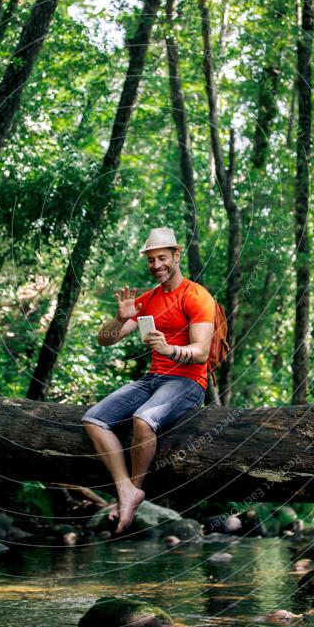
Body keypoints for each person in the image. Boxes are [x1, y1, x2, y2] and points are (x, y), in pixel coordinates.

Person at [82, 227, 215, 533]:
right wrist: (119, 318)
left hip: (188, 383)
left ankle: (133, 493)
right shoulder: (148, 300)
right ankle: (126, 488)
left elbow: (201, 353)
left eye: (162, 258)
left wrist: (169, 349)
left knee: (143, 420)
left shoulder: (197, 296)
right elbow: (105, 340)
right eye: (151, 260)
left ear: (176, 256)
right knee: (93, 420)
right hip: (153, 379)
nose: (157, 265)